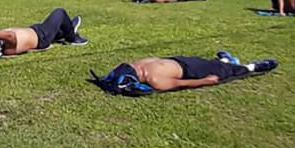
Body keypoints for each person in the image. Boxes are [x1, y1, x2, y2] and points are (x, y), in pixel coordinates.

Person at [91, 51, 278, 95]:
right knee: (227, 71)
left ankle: (225, 60)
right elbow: (181, 84)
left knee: (212, 63)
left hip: (180, 61)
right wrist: (205, 81)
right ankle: (254, 67)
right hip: (191, 71)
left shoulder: (140, 65)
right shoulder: (155, 80)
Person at [0, 8, 87, 56]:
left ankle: (68, 30)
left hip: (38, 31)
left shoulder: (2, 40)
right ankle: (72, 38)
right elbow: (10, 35)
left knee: (59, 28)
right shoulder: (8, 47)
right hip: (42, 36)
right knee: (60, 13)